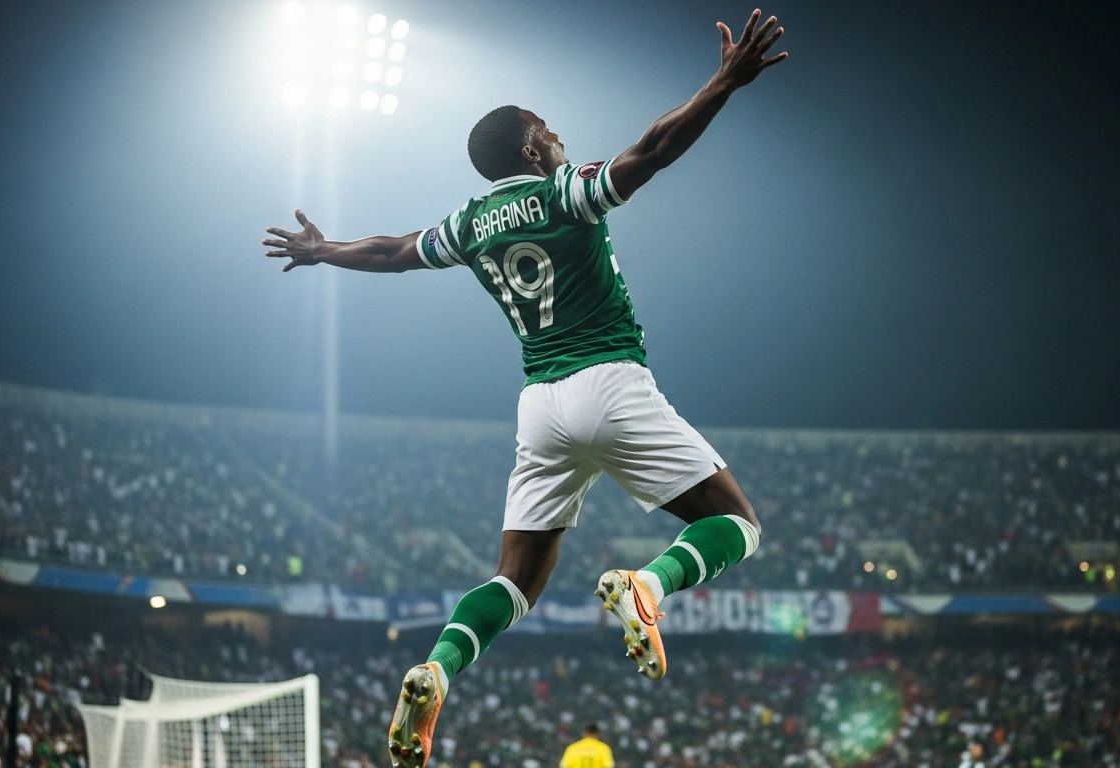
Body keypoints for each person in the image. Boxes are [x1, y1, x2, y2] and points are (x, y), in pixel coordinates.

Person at [263, 9, 787, 768]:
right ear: (532, 144)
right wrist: (723, 82)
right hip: (610, 380)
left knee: (515, 580)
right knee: (737, 524)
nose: (560, 137)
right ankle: (649, 585)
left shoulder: (471, 222)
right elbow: (656, 149)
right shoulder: (565, 192)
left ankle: (437, 668)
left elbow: (391, 253)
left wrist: (322, 250)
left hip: (540, 405)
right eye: (550, 129)